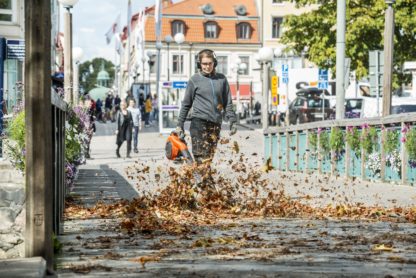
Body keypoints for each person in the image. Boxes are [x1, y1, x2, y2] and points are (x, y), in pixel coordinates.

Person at [176, 49, 237, 165]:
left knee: (209, 157)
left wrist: (232, 121)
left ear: (214, 63)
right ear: (199, 64)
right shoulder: (194, 80)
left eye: (210, 63)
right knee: (201, 156)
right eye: (204, 64)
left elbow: (228, 102)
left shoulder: (222, 79)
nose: (207, 66)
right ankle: (202, 181)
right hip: (199, 123)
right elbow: (186, 104)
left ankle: (201, 180)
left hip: (215, 124)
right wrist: (180, 125)